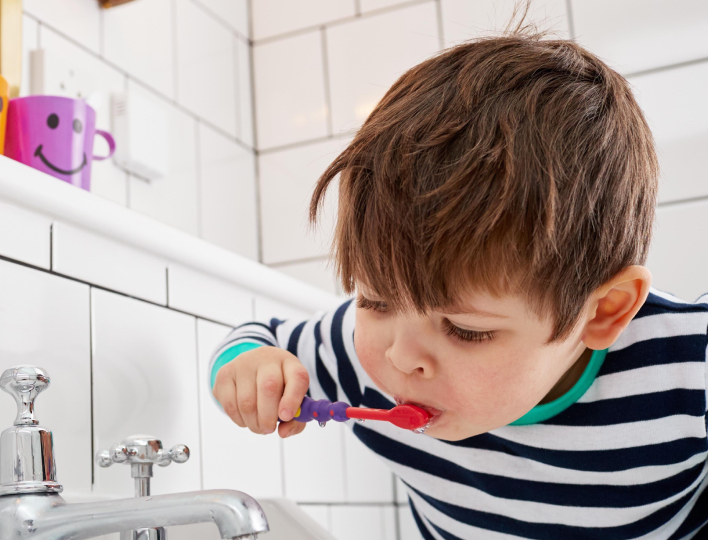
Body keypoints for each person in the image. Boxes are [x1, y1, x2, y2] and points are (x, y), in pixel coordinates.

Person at [210, 19, 708, 539]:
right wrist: (250, 369)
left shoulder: (687, 371)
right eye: (375, 301)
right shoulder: (358, 352)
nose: (402, 357)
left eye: (465, 330)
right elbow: (254, 341)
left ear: (604, 311)